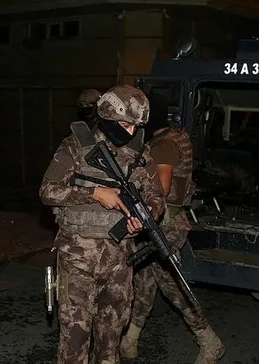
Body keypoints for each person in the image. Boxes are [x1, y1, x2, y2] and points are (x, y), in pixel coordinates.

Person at [40, 85, 165, 364]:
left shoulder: (140, 154)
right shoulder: (75, 147)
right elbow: (48, 191)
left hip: (121, 261)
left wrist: (145, 217)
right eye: (125, 125)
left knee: (110, 342)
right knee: (74, 340)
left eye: (136, 127)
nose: (130, 132)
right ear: (108, 117)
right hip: (77, 260)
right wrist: (94, 194)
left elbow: (157, 197)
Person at [120, 112, 225, 363]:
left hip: (164, 224)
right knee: (145, 282)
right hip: (165, 221)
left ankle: (209, 340)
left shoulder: (163, 145)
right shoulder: (175, 137)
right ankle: (129, 340)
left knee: (172, 284)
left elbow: (162, 189)